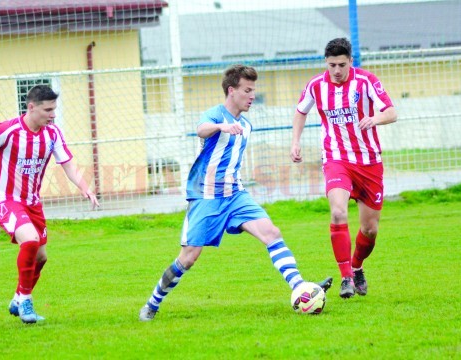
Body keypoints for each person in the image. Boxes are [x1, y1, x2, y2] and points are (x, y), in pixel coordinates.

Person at [138, 64, 332, 322]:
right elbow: (201, 129)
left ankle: (300, 287)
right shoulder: (215, 116)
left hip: (236, 196)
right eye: (247, 90)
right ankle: (152, 304)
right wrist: (221, 128)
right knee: (189, 257)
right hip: (206, 197)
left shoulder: (247, 125)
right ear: (232, 90)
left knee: (271, 233)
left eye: (254, 90)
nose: (252, 96)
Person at [0, 85, 99, 324]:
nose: (53, 114)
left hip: (32, 203)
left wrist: (85, 187)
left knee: (41, 257)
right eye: (48, 109)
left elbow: (68, 164)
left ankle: (17, 299)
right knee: (31, 240)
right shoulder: (7, 129)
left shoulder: (52, 133)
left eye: (54, 109)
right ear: (31, 107)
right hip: (3, 198)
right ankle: (25, 301)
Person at [290, 38, 398, 299]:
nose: (336, 70)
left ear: (351, 61)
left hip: (369, 162)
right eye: (331, 65)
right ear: (326, 63)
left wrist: (375, 118)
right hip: (336, 159)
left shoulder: (366, 81)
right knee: (338, 212)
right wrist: (295, 141)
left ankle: (358, 266)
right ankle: (346, 277)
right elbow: (301, 111)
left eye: (341, 64)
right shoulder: (316, 86)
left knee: (370, 229)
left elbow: (392, 112)